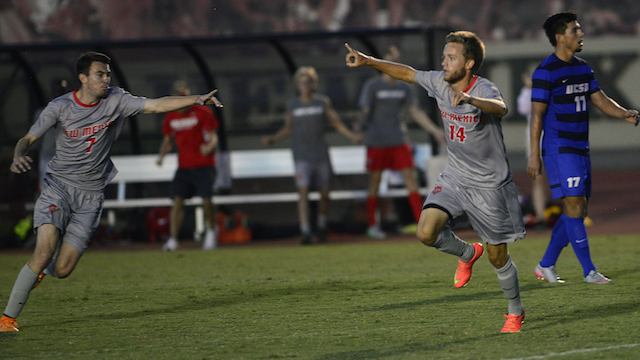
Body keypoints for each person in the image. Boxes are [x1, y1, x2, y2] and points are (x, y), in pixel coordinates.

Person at [0, 51, 222, 332]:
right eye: (99, 74)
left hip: (91, 196)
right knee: (44, 251)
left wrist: (195, 98)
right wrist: (19, 155)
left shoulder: (117, 99)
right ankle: (7, 319)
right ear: (83, 78)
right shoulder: (59, 107)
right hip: (58, 187)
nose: (106, 79)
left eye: (107, 74)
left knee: (63, 269)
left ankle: (39, 273)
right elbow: (27, 139)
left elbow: (155, 105)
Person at [346, 30, 527, 333]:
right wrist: (368, 61)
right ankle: (468, 253)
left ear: (468, 63)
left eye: (451, 57)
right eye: (444, 56)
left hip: (489, 185)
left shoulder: (484, 88)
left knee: (499, 256)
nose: (443, 62)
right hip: (456, 176)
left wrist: (471, 99)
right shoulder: (439, 83)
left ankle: (515, 310)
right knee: (425, 232)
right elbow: (407, 73)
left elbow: (501, 108)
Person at [527, 12, 639, 285]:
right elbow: (537, 116)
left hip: (580, 147)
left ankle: (545, 265)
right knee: (575, 204)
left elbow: (599, 99)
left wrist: (624, 113)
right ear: (560, 38)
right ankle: (589, 271)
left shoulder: (583, 67)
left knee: (577, 209)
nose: (581, 34)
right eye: (575, 30)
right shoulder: (545, 72)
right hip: (559, 147)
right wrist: (533, 154)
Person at [263, 66, 360, 245]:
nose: (305, 86)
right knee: (303, 192)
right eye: (302, 83)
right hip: (301, 156)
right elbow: (287, 128)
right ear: (297, 86)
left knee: (325, 193)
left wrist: (352, 136)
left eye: (308, 83)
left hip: (320, 155)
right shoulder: (292, 105)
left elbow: (336, 123)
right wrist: (273, 139)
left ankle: (322, 226)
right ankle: (305, 230)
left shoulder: (322, 103)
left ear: (313, 85)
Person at [356, 45, 445, 239]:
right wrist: (357, 129)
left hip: (398, 139)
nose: (392, 64)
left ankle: (421, 225)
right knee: (375, 182)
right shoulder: (373, 86)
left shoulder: (403, 86)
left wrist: (434, 130)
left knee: (410, 179)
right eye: (390, 60)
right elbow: (365, 111)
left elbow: (415, 112)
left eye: (395, 60)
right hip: (377, 141)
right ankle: (373, 225)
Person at [157, 80, 219, 251]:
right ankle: (173, 240)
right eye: (179, 97)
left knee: (206, 199)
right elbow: (167, 141)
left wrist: (209, 146)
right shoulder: (170, 116)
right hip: (184, 167)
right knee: (177, 200)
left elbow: (213, 137)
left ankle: (212, 231)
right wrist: (161, 156)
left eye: (185, 96)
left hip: (204, 165)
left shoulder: (202, 112)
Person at [517, 70, 549, 228]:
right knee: (538, 180)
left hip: (554, 139)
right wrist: (529, 89)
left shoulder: (550, 90)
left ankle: (574, 215)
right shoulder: (527, 93)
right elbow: (523, 109)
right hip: (535, 142)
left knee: (565, 179)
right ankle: (541, 217)